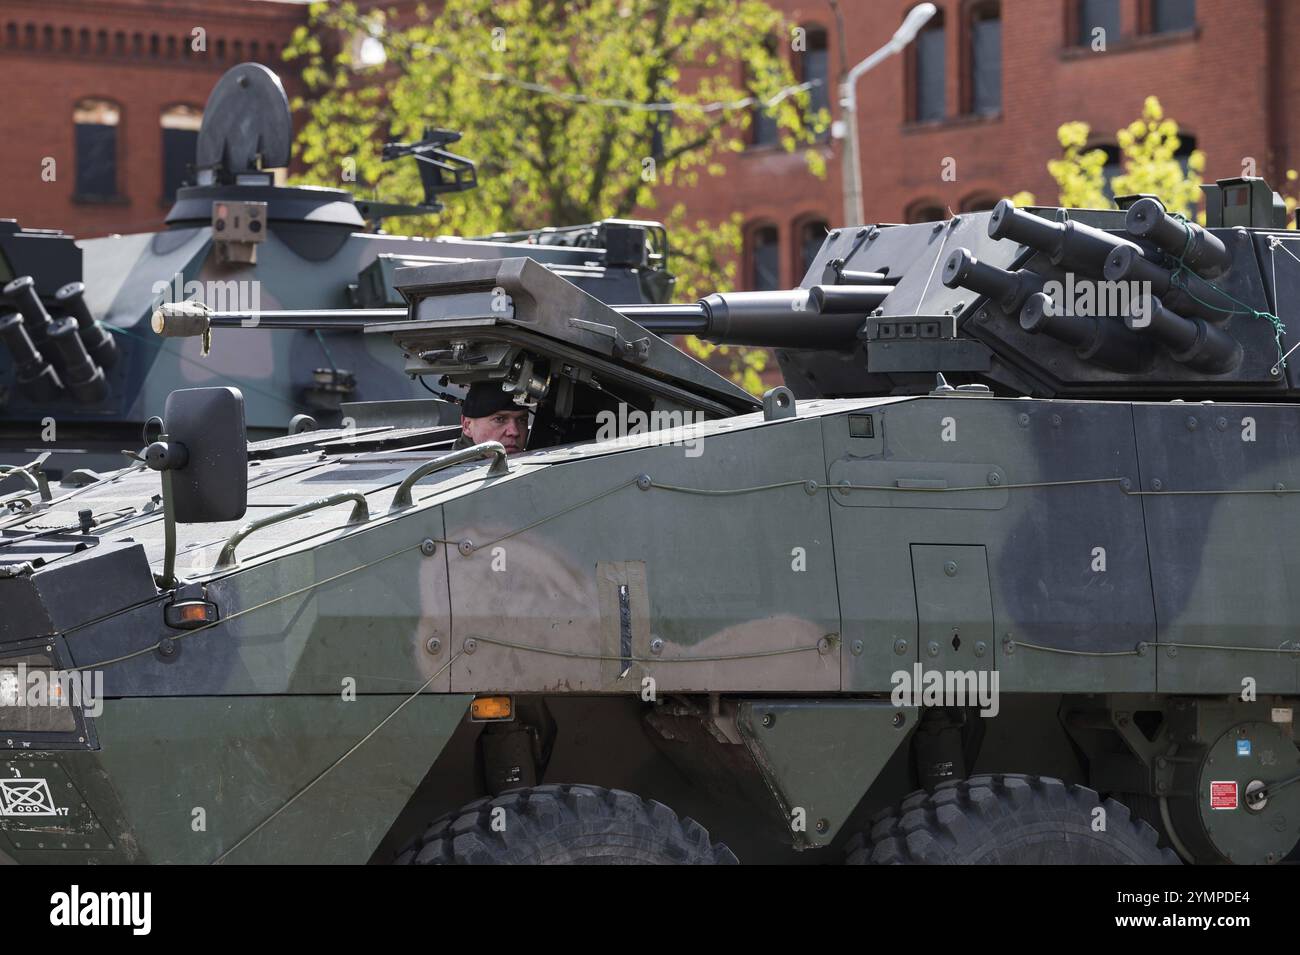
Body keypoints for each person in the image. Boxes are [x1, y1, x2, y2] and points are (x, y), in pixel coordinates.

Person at [452, 382, 530, 454]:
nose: (514, 432)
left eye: (522, 420)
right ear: (467, 426)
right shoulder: (451, 468)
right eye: (499, 419)